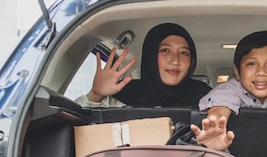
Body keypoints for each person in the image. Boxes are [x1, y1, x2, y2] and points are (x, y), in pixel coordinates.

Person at [75, 23, 211, 108]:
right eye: (165, 50)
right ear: (150, 56)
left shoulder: (206, 97)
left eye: (184, 53)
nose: (175, 61)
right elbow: (77, 125)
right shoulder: (123, 95)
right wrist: (95, 94)